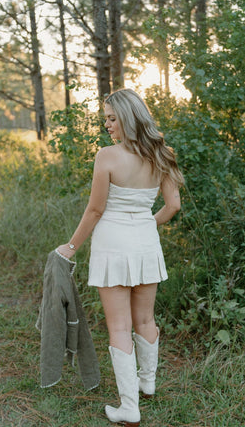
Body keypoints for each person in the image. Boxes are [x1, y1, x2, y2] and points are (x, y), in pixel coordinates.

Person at [57, 88, 184, 426]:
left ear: (128, 117)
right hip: (145, 243)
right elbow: (173, 207)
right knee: (145, 319)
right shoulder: (164, 154)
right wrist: (144, 224)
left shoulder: (107, 156)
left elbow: (96, 209)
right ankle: (148, 383)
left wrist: (71, 246)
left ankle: (129, 407)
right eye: (106, 120)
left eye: (112, 119)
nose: (107, 125)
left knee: (119, 325)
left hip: (112, 243)